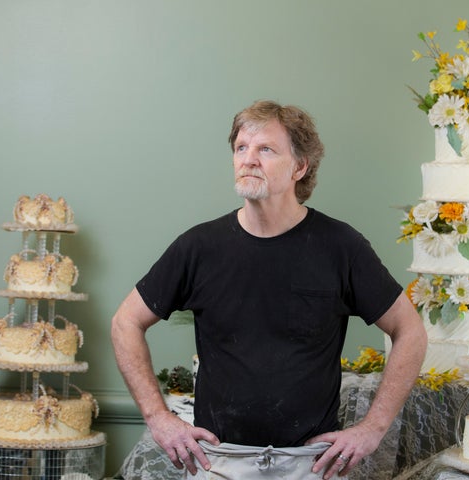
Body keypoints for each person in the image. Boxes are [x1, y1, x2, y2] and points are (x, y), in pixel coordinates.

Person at [111, 100, 427, 479]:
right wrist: (157, 417)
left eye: (266, 149)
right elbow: (125, 321)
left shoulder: (341, 247)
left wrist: (373, 429)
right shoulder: (198, 247)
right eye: (241, 148)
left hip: (309, 466)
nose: (249, 159)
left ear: (300, 166)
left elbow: (410, 331)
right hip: (217, 462)